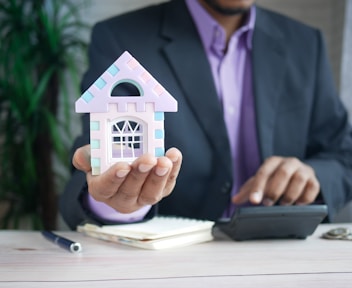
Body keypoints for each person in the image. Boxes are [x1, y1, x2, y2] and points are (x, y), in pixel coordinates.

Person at [60, 0, 352, 230]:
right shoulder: (120, 38)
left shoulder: (305, 43)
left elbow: (343, 155)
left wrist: (314, 175)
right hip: (171, 263)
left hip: (287, 255)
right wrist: (117, 202)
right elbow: (100, 158)